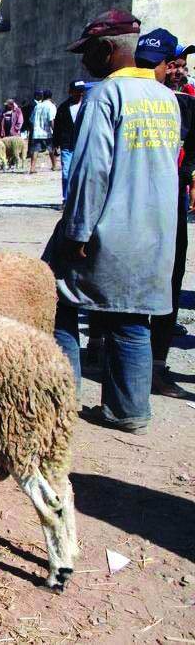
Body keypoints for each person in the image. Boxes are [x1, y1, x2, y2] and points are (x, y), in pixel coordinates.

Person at [46, 10, 182, 434]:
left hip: (109, 228)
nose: (83, 61)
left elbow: (91, 171)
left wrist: (78, 231)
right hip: (155, 229)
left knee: (57, 301)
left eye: (87, 52)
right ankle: (129, 410)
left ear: (106, 50)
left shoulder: (105, 96)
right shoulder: (166, 99)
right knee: (132, 316)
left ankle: (61, 402)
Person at [137, 28, 195, 397]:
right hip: (142, 199)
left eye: (182, 65)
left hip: (173, 199)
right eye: (172, 64)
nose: (178, 71)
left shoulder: (189, 102)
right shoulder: (139, 98)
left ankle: (156, 364)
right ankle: (108, 348)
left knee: (171, 279)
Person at [54, 80, 87, 202]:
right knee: (67, 173)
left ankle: (79, 199)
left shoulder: (87, 106)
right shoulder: (63, 108)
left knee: (81, 174)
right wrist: (56, 144)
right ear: (70, 92)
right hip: (67, 145)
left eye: (82, 91)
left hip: (83, 145)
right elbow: (57, 127)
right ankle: (67, 199)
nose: (80, 94)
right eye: (77, 91)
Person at [29, 90, 59, 173]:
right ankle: (54, 166)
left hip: (37, 132)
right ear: (51, 97)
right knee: (51, 149)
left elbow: (31, 120)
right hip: (47, 132)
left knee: (35, 150)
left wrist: (31, 133)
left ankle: (32, 168)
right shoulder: (51, 106)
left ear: (43, 96)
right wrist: (55, 131)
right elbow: (51, 120)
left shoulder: (37, 106)